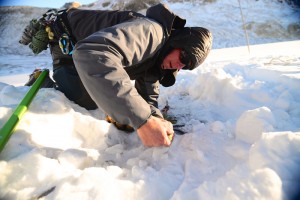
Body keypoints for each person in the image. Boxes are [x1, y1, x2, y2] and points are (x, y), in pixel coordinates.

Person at [19, 3, 212, 147]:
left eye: (185, 66)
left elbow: (147, 97)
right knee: (86, 100)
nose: (179, 65)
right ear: (177, 41)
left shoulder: (159, 61)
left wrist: (156, 118)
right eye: (184, 56)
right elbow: (92, 53)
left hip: (84, 46)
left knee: (108, 93)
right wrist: (143, 121)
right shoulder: (151, 32)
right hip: (69, 37)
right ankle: (41, 80)